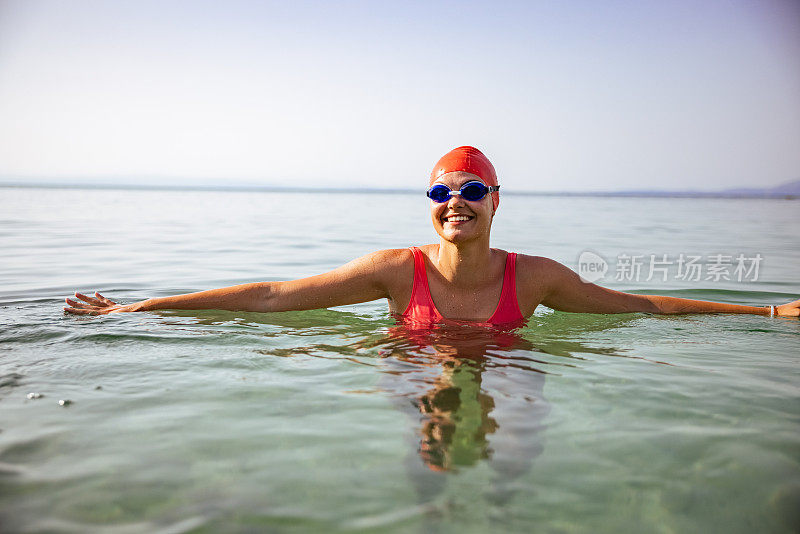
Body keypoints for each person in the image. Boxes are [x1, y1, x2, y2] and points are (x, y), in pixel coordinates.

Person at [64, 146, 800, 320]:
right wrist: (138, 310)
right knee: (439, 442)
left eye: (472, 191)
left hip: (507, 374)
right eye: (443, 192)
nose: (457, 203)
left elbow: (640, 308)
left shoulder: (534, 278)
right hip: (411, 378)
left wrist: (767, 312)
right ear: (430, 204)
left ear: (495, 201)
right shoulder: (394, 270)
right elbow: (273, 296)